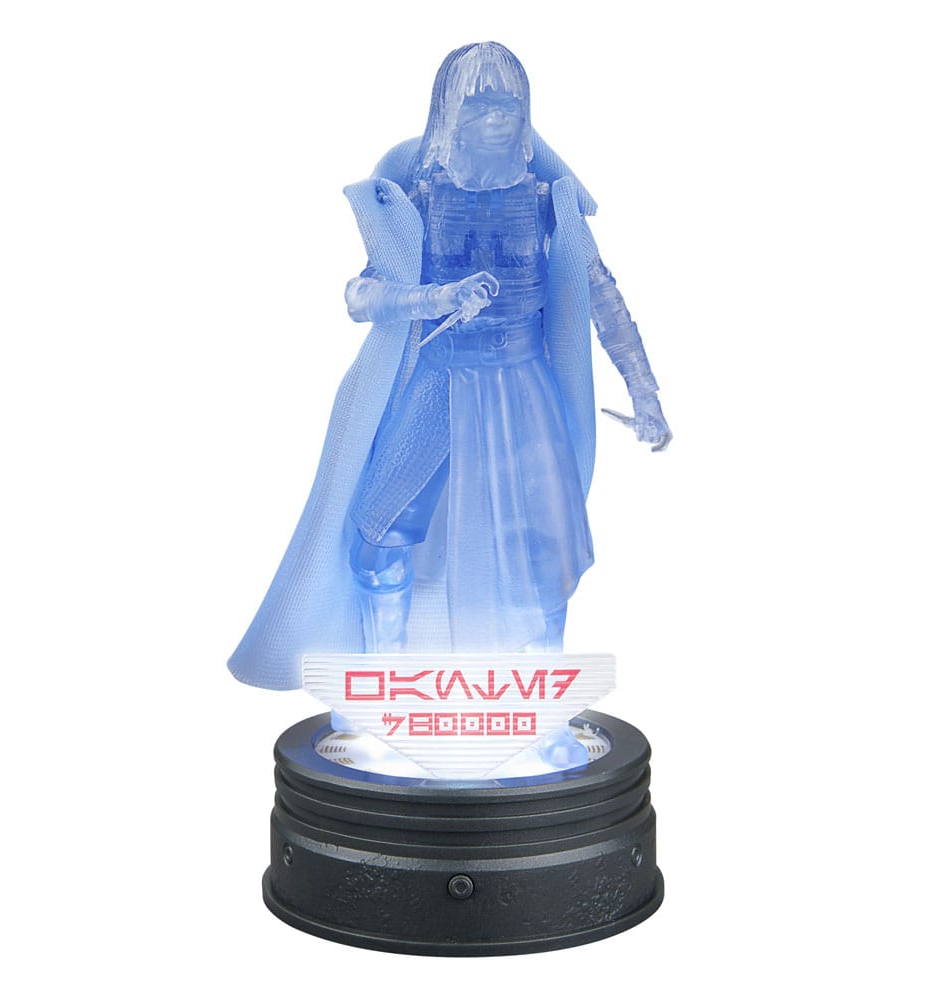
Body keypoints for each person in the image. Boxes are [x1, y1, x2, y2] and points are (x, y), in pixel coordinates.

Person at [228, 42, 670, 692]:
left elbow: (602, 296)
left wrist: (645, 392)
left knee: (547, 555)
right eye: (479, 103)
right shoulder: (421, 199)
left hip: (524, 392)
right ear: (449, 115)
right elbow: (361, 296)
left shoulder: (546, 203)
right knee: (377, 538)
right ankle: (385, 689)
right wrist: (431, 299)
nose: (497, 117)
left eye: (509, 102)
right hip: (438, 385)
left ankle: (538, 707)